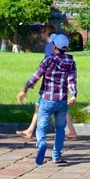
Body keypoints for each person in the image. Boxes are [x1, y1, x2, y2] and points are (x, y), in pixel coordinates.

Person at [17, 33, 78, 165]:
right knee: (60, 129)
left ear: (54, 46)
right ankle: (56, 156)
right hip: (62, 101)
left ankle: (42, 144)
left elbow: (36, 76)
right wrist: (73, 95)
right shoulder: (71, 61)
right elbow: (72, 80)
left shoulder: (48, 59)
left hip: (46, 100)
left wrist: (24, 89)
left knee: (41, 128)